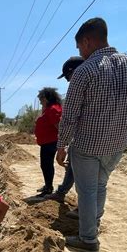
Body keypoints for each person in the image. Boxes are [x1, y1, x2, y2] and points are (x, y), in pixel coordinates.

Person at [56, 17, 127, 252]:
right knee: (100, 186)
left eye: (79, 47)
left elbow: (70, 116)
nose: (81, 52)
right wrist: (126, 135)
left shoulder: (85, 71)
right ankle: (93, 225)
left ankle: (88, 239)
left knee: (86, 191)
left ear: (87, 41)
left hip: (87, 146)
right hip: (116, 145)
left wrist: (61, 145)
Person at [45, 56, 84, 202]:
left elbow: (68, 119)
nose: (68, 81)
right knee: (73, 169)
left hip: (87, 142)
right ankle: (61, 193)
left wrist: (61, 146)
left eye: (67, 76)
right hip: (80, 139)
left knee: (89, 181)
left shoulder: (81, 86)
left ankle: (84, 211)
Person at [34, 87, 63, 196]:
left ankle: (49, 188)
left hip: (50, 142)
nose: (41, 103)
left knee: (47, 165)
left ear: (45, 98)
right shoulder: (49, 108)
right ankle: (47, 185)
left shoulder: (53, 109)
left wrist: (63, 144)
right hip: (47, 142)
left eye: (41, 100)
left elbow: (59, 127)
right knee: (45, 165)